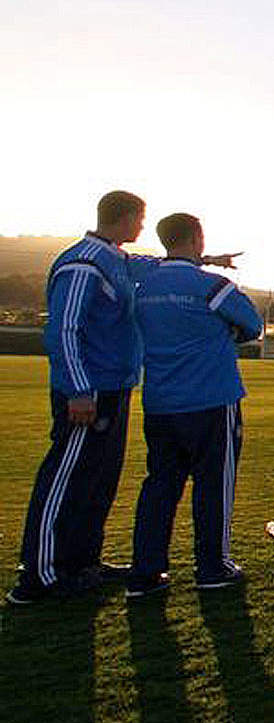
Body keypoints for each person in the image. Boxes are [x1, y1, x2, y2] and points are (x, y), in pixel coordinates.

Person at [8, 192, 236, 604]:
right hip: (88, 390)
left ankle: (81, 563)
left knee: (98, 478)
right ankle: (38, 576)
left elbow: (159, 264)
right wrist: (78, 390)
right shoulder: (85, 263)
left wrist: (209, 260)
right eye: (140, 219)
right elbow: (64, 330)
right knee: (64, 477)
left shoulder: (115, 257)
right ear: (127, 217)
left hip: (113, 388)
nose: (142, 227)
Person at [125, 214, 262, 597]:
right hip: (211, 399)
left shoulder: (143, 284)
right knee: (213, 484)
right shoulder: (212, 285)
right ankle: (212, 567)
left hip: (161, 401)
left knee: (160, 486)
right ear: (197, 239)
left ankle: (145, 574)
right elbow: (252, 325)